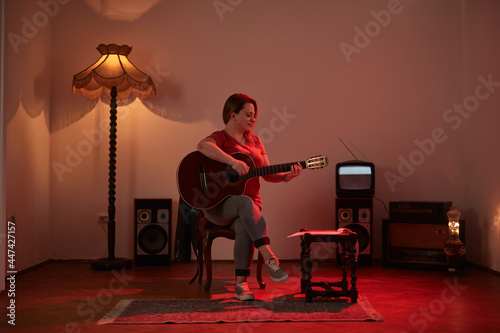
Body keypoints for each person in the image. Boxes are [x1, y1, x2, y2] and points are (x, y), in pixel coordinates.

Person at [196, 93, 302, 301]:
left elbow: (266, 172)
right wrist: (232, 162)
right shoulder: (220, 137)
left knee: (245, 217)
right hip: (217, 206)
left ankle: (241, 285)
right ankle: (269, 255)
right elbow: (202, 146)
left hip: (247, 207)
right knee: (245, 202)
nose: (253, 119)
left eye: (254, 115)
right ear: (232, 115)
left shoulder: (255, 141)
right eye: (248, 114)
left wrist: (286, 176)